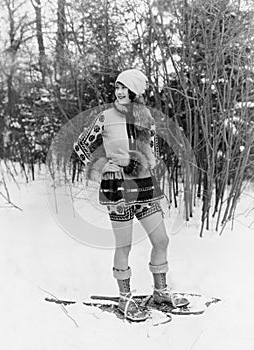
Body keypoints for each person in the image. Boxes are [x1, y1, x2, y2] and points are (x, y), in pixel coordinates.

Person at [74, 69, 188, 322]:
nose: (119, 92)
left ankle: (160, 292)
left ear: (136, 91)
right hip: (118, 189)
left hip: (145, 185)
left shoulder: (147, 118)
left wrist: (144, 162)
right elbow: (80, 146)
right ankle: (125, 299)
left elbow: (156, 151)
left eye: (125, 87)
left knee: (161, 240)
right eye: (117, 87)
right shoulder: (104, 117)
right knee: (123, 245)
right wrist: (103, 166)